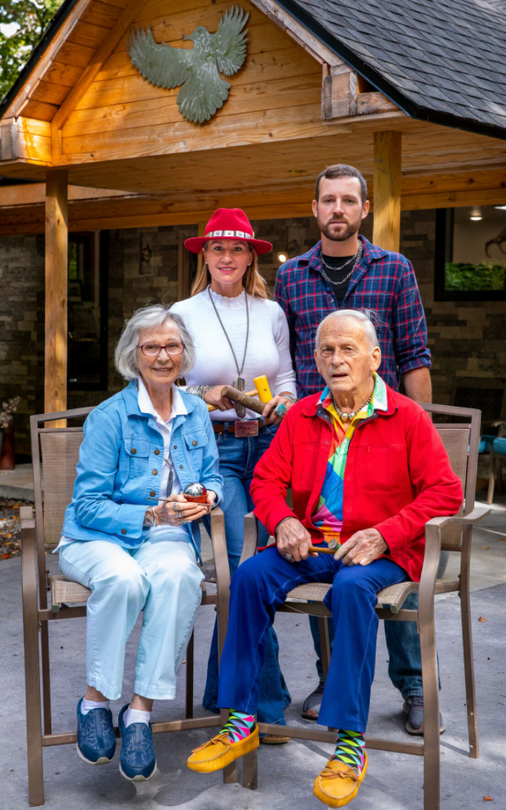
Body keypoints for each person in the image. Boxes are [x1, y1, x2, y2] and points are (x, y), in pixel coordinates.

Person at [186, 311, 463, 807]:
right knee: (248, 576)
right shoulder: (302, 414)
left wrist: (385, 532)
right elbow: (265, 481)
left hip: (383, 550)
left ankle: (350, 743)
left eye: (348, 349)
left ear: (375, 358)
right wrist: (281, 521)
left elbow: (445, 493)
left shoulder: (406, 416)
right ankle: (242, 717)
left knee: (353, 588)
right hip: (314, 543)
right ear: (315, 360)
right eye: (327, 351)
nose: (337, 360)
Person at [275, 163, 438, 734]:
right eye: (328, 201)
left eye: (348, 201)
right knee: (327, 551)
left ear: (363, 209)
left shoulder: (395, 269)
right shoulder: (291, 277)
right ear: (315, 209)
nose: (337, 210)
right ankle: (331, 677)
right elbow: (287, 359)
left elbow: (414, 354)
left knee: (386, 549)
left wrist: (425, 431)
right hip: (321, 434)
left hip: (386, 433)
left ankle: (414, 685)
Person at [58, 304, 223, 782]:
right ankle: (94, 702)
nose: (163, 355)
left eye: (172, 345)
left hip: (166, 536)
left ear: (184, 353)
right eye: (151, 346)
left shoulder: (196, 413)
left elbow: (213, 477)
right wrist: (151, 512)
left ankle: (139, 714)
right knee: (124, 578)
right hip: (96, 538)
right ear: (134, 354)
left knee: (177, 576)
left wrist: (205, 496)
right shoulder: (111, 417)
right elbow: (87, 506)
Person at [170, 208, 297, 741]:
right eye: (217, 248)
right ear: (205, 255)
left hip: (268, 448)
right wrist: (205, 394)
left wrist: (285, 401)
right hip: (211, 452)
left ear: (250, 257)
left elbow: (286, 373)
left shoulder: (270, 312)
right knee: (243, 569)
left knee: (247, 576)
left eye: (237, 249)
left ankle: (225, 696)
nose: (227, 257)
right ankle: (264, 707)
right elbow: (163, 384)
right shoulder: (180, 312)